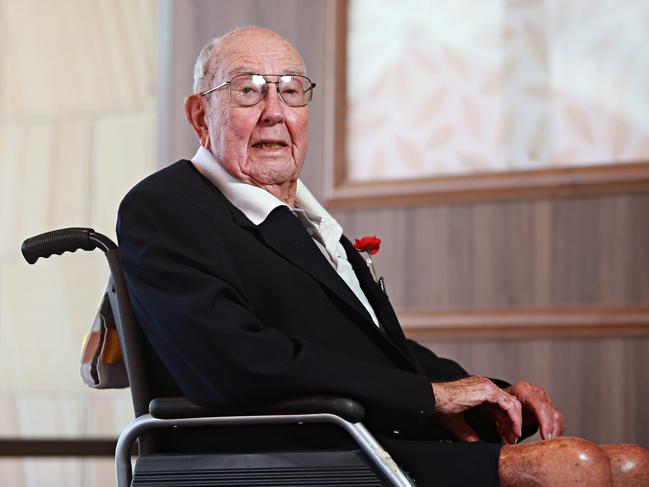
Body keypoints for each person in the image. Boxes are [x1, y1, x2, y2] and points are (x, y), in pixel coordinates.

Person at [117, 26, 649, 486]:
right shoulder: (166, 207)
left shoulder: (304, 219)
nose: (275, 112)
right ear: (199, 115)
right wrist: (427, 397)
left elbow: (370, 351)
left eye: (291, 91)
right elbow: (233, 363)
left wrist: (491, 393)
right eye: (248, 91)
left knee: (629, 466)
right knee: (574, 467)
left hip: (358, 436)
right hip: (283, 451)